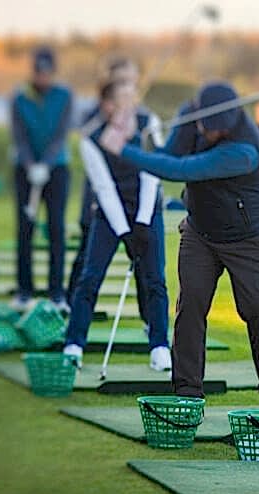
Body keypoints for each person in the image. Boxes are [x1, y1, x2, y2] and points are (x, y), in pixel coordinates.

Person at [98, 81, 259, 415]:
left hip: (250, 237)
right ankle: (188, 393)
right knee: (190, 306)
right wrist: (134, 139)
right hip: (201, 230)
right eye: (205, 128)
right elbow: (168, 155)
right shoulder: (193, 115)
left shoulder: (244, 149)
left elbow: (181, 170)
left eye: (216, 132)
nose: (208, 135)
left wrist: (123, 149)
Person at [62, 79, 171, 371]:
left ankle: (160, 346)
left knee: (155, 280)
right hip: (109, 213)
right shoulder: (91, 138)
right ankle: (74, 344)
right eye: (120, 100)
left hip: (148, 208)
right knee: (90, 277)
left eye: (130, 98)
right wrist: (125, 232)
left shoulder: (150, 123)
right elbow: (104, 188)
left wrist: (143, 224)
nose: (127, 105)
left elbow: (153, 172)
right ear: (106, 105)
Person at [9, 46, 73, 312]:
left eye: (47, 72)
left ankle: (56, 292)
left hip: (57, 169)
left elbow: (61, 135)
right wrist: (30, 165)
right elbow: (19, 136)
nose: (42, 77)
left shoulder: (64, 96)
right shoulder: (19, 97)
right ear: (32, 72)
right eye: (38, 72)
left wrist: (45, 165)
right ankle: (24, 290)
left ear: (53, 72)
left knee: (56, 228)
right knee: (25, 228)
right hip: (24, 170)